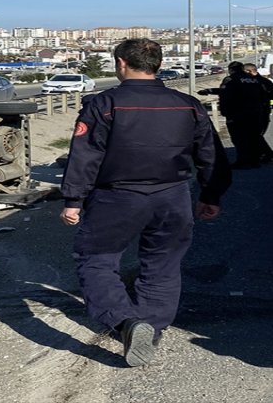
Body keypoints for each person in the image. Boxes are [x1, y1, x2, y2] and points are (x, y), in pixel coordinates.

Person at [59, 38, 231, 367]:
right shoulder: (187, 104)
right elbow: (211, 155)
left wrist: (73, 200)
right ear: (159, 65)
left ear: (121, 63)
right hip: (173, 195)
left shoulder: (104, 104)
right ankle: (150, 327)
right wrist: (211, 195)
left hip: (116, 197)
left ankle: (126, 322)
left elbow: (86, 155)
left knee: (97, 260)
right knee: (164, 264)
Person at [199, 61, 273, 168]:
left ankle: (244, 161)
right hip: (256, 113)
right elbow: (267, 94)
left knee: (239, 138)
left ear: (231, 70)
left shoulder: (231, 79)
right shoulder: (254, 80)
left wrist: (224, 112)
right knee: (254, 137)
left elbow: (225, 95)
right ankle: (255, 160)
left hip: (237, 114)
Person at [240, 63, 273, 162]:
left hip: (257, 111)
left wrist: (263, 95)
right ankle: (261, 154)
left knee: (254, 134)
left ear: (249, 71)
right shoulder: (264, 81)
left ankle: (268, 154)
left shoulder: (260, 82)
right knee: (255, 134)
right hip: (261, 111)